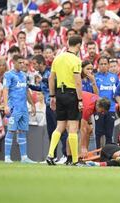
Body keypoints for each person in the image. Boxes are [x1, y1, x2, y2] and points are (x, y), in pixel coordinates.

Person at [46, 35, 84, 166]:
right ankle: (74, 160)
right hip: (72, 94)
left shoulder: (58, 58)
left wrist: (52, 96)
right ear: (79, 45)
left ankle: (50, 155)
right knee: (73, 127)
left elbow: (51, 78)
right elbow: (78, 82)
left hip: (59, 93)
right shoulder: (76, 60)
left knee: (60, 126)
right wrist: (80, 99)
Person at [30, 55, 68, 163]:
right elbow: (43, 89)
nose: (33, 66)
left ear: (41, 63)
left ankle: (65, 155)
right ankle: (53, 156)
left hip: (56, 105)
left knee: (61, 130)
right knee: (51, 131)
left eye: (35, 64)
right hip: (48, 106)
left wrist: (46, 80)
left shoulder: (50, 72)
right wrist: (30, 86)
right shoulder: (42, 75)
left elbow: (56, 83)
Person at [3, 55, 36, 163]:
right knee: (11, 130)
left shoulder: (23, 75)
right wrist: (5, 105)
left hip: (23, 108)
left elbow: (26, 91)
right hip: (14, 107)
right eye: (20, 62)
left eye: (23, 63)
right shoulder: (8, 75)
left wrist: (32, 104)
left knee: (22, 131)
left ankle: (24, 157)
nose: (22, 65)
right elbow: (5, 90)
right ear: (13, 62)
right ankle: (7, 157)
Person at [94, 56, 119, 148]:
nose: (103, 66)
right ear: (98, 65)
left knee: (109, 133)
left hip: (111, 108)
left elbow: (117, 93)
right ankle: (98, 153)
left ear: (108, 65)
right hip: (98, 109)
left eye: (105, 64)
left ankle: (108, 154)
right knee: (98, 133)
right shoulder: (94, 77)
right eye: (101, 64)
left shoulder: (114, 77)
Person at [80, 91, 111, 157]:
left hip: (80, 106)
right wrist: (83, 147)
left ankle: (85, 154)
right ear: (99, 106)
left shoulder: (97, 100)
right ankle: (77, 153)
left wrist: (90, 123)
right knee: (76, 130)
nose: (102, 113)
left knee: (89, 130)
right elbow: (83, 128)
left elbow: (89, 113)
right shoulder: (89, 107)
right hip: (69, 105)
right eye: (102, 111)